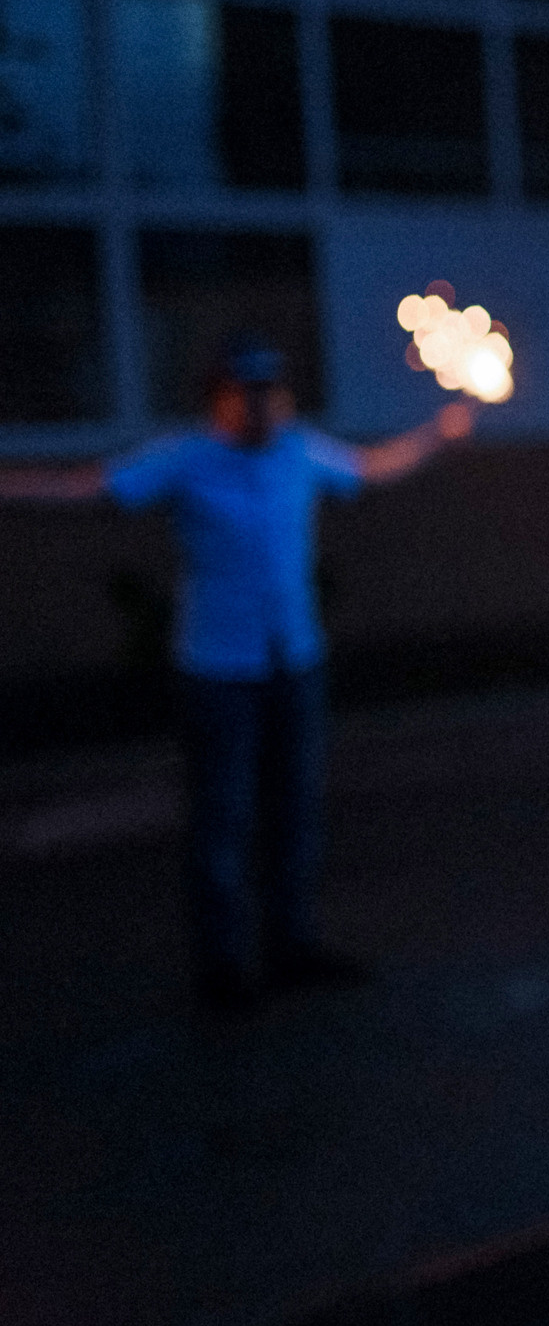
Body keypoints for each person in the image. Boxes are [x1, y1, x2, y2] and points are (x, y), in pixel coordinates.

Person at [0, 335, 476, 1011]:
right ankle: (222, 966)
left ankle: (292, 946)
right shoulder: (186, 458)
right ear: (218, 399)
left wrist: (436, 434)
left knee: (293, 810)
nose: (259, 406)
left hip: (293, 660)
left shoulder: (300, 450)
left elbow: (369, 468)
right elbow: (88, 486)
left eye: (269, 392)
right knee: (222, 818)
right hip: (218, 668)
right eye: (244, 393)